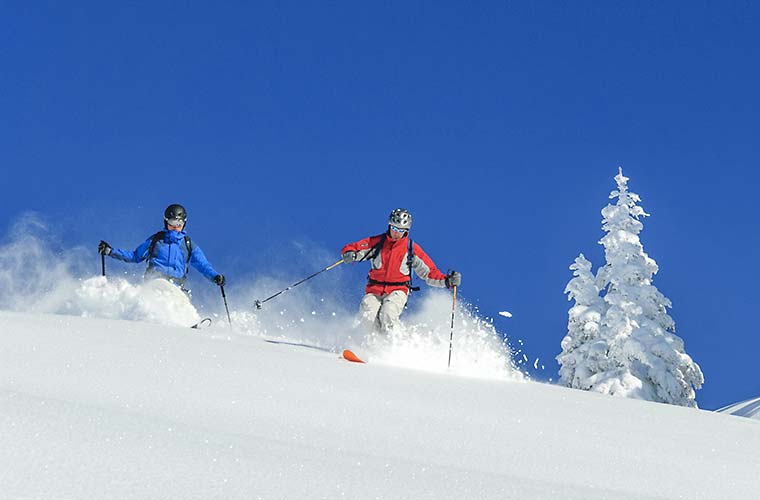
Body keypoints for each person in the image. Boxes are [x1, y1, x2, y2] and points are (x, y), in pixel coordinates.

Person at [341, 208, 461, 334]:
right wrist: (350, 253)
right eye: (394, 228)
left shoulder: (411, 249)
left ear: (406, 231)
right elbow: (355, 248)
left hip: (398, 290)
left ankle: (395, 344)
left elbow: (429, 272)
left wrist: (447, 280)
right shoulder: (377, 242)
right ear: (389, 226)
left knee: (388, 312)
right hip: (374, 289)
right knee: (367, 313)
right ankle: (368, 344)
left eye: (401, 230)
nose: (397, 233)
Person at [98, 203, 225, 293]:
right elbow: (135, 256)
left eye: (179, 223)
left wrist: (215, 277)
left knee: (179, 301)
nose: (175, 227)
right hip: (155, 281)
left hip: (176, 286)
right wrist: (110, 251)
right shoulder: (156, 240)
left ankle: (183, 325)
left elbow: (203, 265)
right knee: (159, 294)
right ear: (166, 222)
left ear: (184, 223)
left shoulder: (188, 244)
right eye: (172, 223)